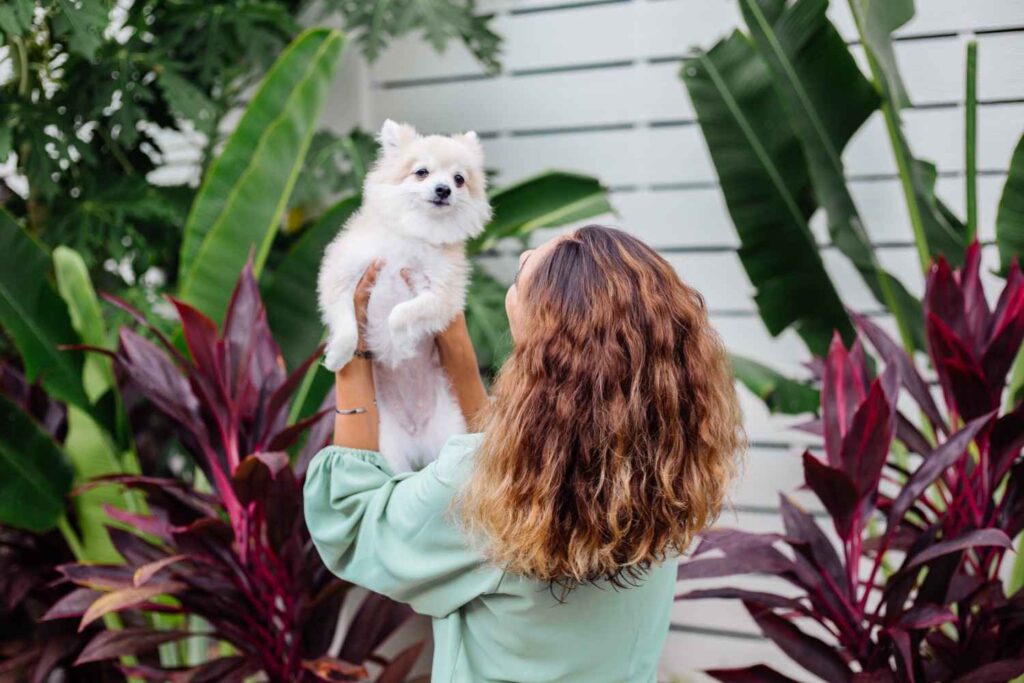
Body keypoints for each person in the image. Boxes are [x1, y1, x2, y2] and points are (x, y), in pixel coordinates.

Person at [303, 225, 745, 682]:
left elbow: (351, 521)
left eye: (521, 272)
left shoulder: (480, 483)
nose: (528, 252)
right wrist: (455, 346)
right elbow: (522, 452)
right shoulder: (664, 459)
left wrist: (351, 350)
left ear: (543, 332)